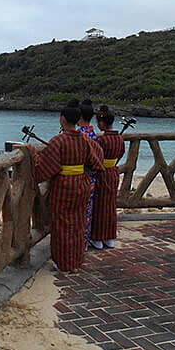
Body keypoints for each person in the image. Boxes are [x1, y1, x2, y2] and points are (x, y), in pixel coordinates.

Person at [28, 99, 104, 272]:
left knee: (61, 223)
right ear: (77, 120)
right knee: (78, 223)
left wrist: (33, 155)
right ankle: (76, 261)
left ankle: (62, 262)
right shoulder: (86, 140)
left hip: (64, 186)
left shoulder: (58, 141)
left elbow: (45, 168)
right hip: (82, 184)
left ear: (63, 119)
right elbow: (98, 159)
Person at [91, 105, 126, 250]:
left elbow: (95, 158)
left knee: (99, 205)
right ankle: (109, 237)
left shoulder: (102, 140)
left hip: (102, 173)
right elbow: (121, 154)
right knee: (110, 205)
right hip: (113, 172)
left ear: (101, 123)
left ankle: (98, 238)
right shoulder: (119, 139)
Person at [78, 99, 101, 251]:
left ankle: (77, 244)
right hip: (91, 179)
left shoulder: (79, 136)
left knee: (76, 213)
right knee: (87, 212)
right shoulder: (94, 135)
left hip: (78, 177)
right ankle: (85, 243)